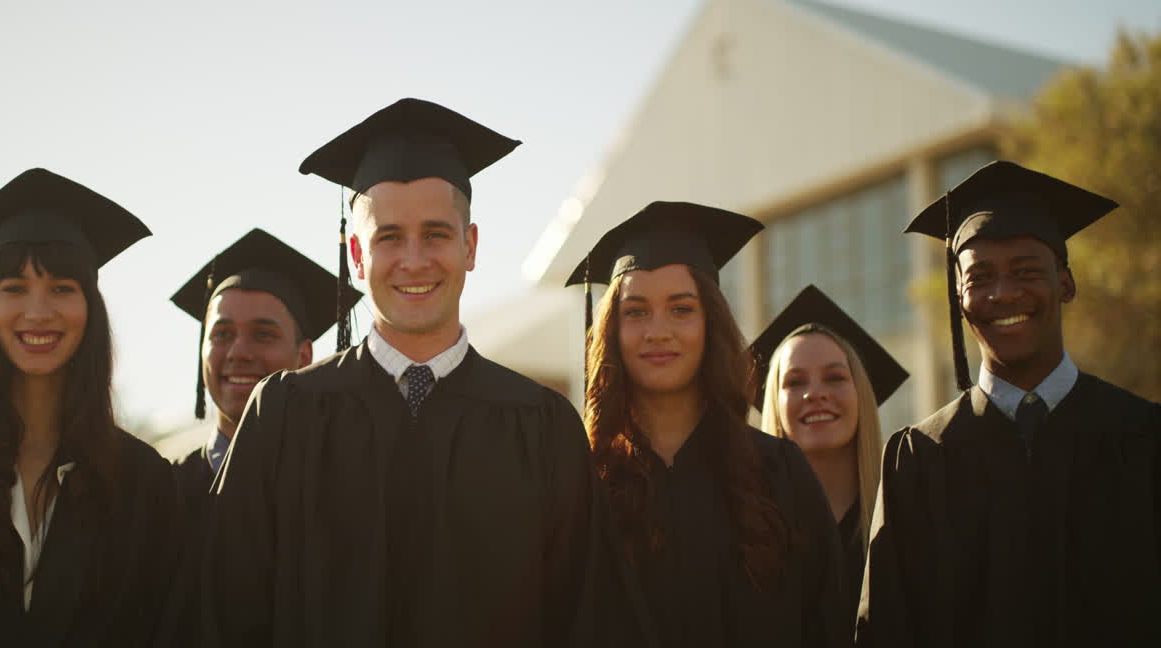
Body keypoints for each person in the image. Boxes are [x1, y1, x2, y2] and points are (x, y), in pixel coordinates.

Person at [206, 98, 599, 647]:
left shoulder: (541, 428)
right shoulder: (284, 415)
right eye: (388, 236)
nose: (414, 260)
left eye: (436, 233)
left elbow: (577, 618)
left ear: (471, 246)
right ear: (356, 256)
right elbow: (228, 611)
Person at [856, 160, 1161, 647]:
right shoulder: (918, 459)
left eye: (1026, 272)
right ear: (958, 297)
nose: (1004, 293)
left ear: (1065, 282)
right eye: (979, 278)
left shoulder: (1141, 437)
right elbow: (888, 628)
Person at [0, 168, 181, 646]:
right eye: (15, 288)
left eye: (62, 287)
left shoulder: (143, 485)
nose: (38, 312)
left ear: (90, 308)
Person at [569, 201, 849, 648]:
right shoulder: (581, 483)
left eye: (681, 309)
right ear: (612, 333)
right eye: (636, 311)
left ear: (710, 323)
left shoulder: (779, 473)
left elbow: (825, 624)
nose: (658, 330)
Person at [751, 283, 908, 624]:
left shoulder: (907, 513)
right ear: (773, 406)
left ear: (860, 393)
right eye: (794, 382)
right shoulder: (747, 526)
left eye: (834, 377)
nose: (814, 394)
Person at [168, 227, 360, 502]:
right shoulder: (162, 494)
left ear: (304, 357)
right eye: (222, 334)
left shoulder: (344, 488)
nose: (238, 352)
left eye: (263, 335)